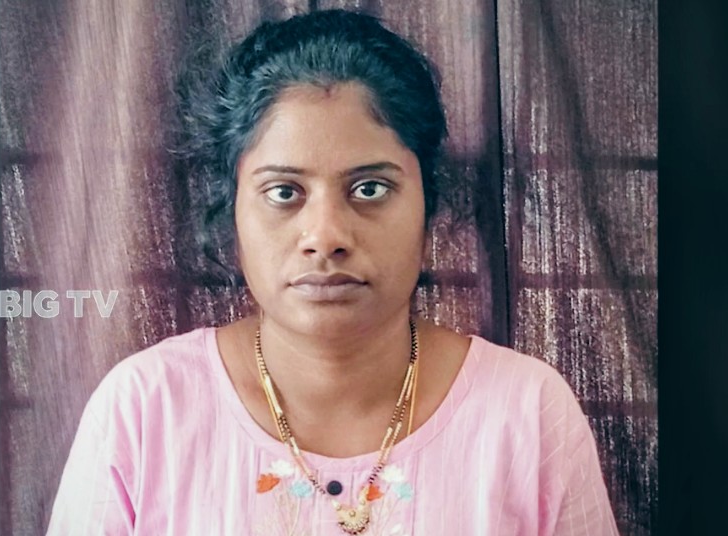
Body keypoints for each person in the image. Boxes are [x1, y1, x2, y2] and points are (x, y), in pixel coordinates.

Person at [46, 9, 618, 535]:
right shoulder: (145, 410)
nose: (325, 236)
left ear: (428, 205)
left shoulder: (526, 412)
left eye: (370, 189)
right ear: (232, 209)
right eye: (284, 192)